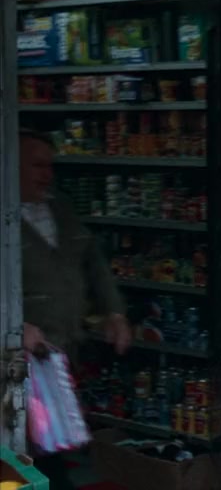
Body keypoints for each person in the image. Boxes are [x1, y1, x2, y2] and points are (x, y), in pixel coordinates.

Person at [19, 129, 131, 490]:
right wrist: (12, 325)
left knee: (47, 447)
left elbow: (93, 260)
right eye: (37, 166)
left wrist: (114, 311)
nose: (47, 174)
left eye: (49, 166)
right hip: (15, 360)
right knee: (21, 452)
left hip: (57, 354)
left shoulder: (60, 207)